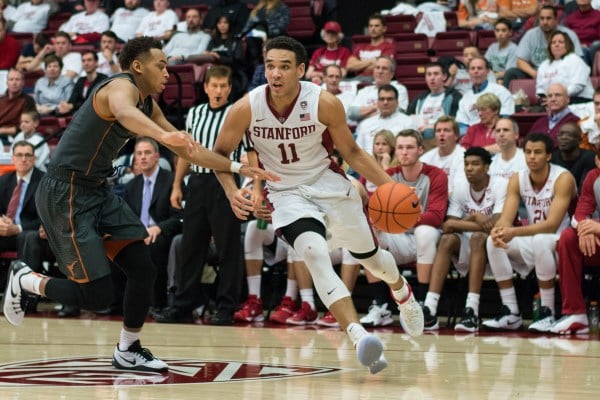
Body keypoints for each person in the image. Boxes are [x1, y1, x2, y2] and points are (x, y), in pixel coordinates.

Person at [2, 37, 274, 373]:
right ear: (137, 67)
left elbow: (188, 148)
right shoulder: (119, 87)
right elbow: (124, 113)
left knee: (143, 268)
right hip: (66, 192)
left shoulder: (149, 104)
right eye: (160, 65)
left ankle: (128, 349)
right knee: (98, 295)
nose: (167, 72)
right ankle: (27, 279)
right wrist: (163, 138)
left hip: (98, 191)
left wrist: (236, 167)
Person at [212, 36, 424, 375]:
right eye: (270, 66)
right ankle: (359, 337)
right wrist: (230, 190)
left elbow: (353, 153)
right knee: (312, 252)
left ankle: (401, 290)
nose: (276, 74)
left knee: (372, 261)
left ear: (301, 70)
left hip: (329, 183)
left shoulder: (324, 103)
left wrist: (392, 186)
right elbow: (219, 155)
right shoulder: (247, 108)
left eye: (284, 67)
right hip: (286, 193)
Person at [153, 65, 251, 326]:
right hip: (197, 183)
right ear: (205, 87)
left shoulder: (237, 113)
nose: (218, 90)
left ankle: (226, 307)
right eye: (214, 85)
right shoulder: (195, 113)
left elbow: (251, 151)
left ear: (229, 88)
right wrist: (176, 185)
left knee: (228, 247)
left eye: (223, 86)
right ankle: (183, 304)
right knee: (190, 246)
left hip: (226, 183)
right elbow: (185, 152)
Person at [483, 133, 577, 332]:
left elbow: (552, 225)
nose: (532, 157)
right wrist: (499, 231)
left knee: (541, 240)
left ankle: (547, 312)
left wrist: (514, 232)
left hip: (564, 240)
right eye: (528, 152)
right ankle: (511, 312)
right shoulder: (518, 179)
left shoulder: (563, 178)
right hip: (535, 238)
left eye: (538, 152)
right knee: (492, 242)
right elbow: (506, 219)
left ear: (549, 156)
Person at [363, 129, 447, 325]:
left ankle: (423, 303)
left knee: (424, 232)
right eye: (400, 147)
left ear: (420, 150)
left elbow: (435, 217)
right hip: (399, 238)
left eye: (409, 147)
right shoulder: (388, 175)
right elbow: (375, 212)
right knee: (366, 233)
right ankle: (380, 306)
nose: (404, 152)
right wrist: (378, 221)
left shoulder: (436, 175)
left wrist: (400, 218)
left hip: (427, 240)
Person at [423, 147, 507, 332]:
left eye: (475, 164)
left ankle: (472, 310)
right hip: (468, 244)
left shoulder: (500, 184)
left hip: (495, 246)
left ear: (486, 167)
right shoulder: (460, 185)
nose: (470, 168)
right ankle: (429, 308)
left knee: (478, 238)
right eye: (467, 164)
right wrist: (476, 217)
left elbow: (498, 223)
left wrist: (463, 223)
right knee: (446, 240)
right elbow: (448, 225)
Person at [123, 136, 182, 312]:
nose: (142, 157)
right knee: (112, 245)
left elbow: (179, 218)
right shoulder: (131, 186)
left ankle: (158, 303)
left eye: (147, 153)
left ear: (157, 157)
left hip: (161, 235)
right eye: (139, 153)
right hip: (137, 234)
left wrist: (158, 228)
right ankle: (116, 303)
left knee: (155, 246)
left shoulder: (172, 182)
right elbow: (125, 218)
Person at [552, 163, 600, 334]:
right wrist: (585, 229)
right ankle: (576, 313)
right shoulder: (593, 177)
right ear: (597, 161)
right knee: (568, 238)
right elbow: (579, 213)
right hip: (595, 242)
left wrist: (596, 227)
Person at [503, 6, 583, 88]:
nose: (545, 22)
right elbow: (520, 61)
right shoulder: (531, 34)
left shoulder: (569, 35)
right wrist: (534, 73)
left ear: (556, 20)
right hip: (536, 72)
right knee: (511, 72)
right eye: (542, 18)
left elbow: (578, 61)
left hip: (561, 73)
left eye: (548, 18)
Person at [0, 140, 44, 255]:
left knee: (27, 238)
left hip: (28, 233)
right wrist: (2, 221)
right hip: (6, 232)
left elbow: (45, 219)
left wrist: (18, 228)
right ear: (12, 159)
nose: (23, 159)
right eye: (19, 155)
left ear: (34, 159)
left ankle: (24, 273)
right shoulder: (4, 180)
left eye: (28, 155)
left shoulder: (44, 182)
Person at [455, 56, 515, 135]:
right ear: (468, 72)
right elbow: (462, 125)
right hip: (472, 136)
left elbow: (506, 119)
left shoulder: (501, 91)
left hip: (495, 134)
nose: (476, 71)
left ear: (488, 71)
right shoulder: (464, 99)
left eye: (479, 68)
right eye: (472, 68)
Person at [407, 62, 462, 144]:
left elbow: (455, 122)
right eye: (429, 74)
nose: (432, 78)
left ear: (444, 77)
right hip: (419, 135)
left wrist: (432, 127)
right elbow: (408, 116)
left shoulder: (454, 96)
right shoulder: (419, 98)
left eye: (436, 74)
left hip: (442, 135)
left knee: (429, 132)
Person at [354, 84, 416, 155]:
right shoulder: (365, 124)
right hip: (368, 163)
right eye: (382, 99)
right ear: (377, 102)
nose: (385, 102)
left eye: (389, 99)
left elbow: (411, 151)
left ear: (397, 102)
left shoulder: (408, 123)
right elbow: (357, 151)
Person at [535, 31, 593, 104]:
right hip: (553, 102)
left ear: (567, 45)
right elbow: (540, 88)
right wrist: (542, 98)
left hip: (578, 100)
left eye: (560, 42)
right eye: (553, 42)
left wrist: (557, 98)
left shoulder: (576, 60)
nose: (556, 44)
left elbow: (577, 86)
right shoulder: (544, 65)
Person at [347, 56, 409, 123]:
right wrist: (374, 107)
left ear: (392, 74)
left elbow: (398, 113)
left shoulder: (399, 89)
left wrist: (363, 115)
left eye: (384, 68)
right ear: (373, 72)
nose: (380, 71)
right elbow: (351, 113)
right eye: (377, 68)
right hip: (364, 132)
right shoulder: (364, 91)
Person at [420, 116, 467, 193]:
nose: (441, 134)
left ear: (456, 136)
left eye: (446, 130)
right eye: (438, 131)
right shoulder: (426, 158)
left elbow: (459, 190)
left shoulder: (463, 156)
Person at [529, 83, 580, 147]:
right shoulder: (539, 122)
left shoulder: (575, 122)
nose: (553, 99)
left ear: (567, 99)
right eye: (550, 96)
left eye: (557, 95)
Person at [57, 50, 107, 115]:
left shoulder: (103, 79)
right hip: (80, 114)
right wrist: (66, 105)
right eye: (83, 61)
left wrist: (72, 106)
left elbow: (93, 102)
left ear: (96, 63)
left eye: (89, 60)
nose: (86, 63)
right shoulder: (81, 80)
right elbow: (72, 100)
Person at [346, 13, 395, 79]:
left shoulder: (389, 47)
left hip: (376, 79)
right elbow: (350, 66)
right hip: (358, 79)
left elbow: (382, 67)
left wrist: (359, 66)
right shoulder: (361, 47)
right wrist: (371, 61)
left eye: (376, 26)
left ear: (384, 29)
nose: (373, 29)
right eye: (370, 26)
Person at [550, 122, 596, 191]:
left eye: (569, 135)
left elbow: (584, 189)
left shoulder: (589, 157)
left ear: (579, 140)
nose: (564, 137)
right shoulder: (553, 157)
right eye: (560, 134)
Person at [0, 68, 36, 145]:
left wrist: (2, 130)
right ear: (7, 82)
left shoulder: (28, 101)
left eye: (17, 79)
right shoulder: (1, 100)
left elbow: (27, 125)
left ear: (23, 82)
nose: (14, 83)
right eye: (11, 79)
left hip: (18, 137)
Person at [565, 0, 600, 65]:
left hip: (593, 50)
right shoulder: (570, 18)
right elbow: (566, 38)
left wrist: (587, 46)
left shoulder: (598, 16)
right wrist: (577, 45)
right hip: (575, 48)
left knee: (592, 46)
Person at [484, 18, 518, 84]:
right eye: (497, 30)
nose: (500, 33)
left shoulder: (514, 49)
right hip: (492, 77)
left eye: (503, 30)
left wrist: (491, 75)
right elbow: (484, 64)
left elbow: (508, 73)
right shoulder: (492, 47)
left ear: (510, 32)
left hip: (506, 80)